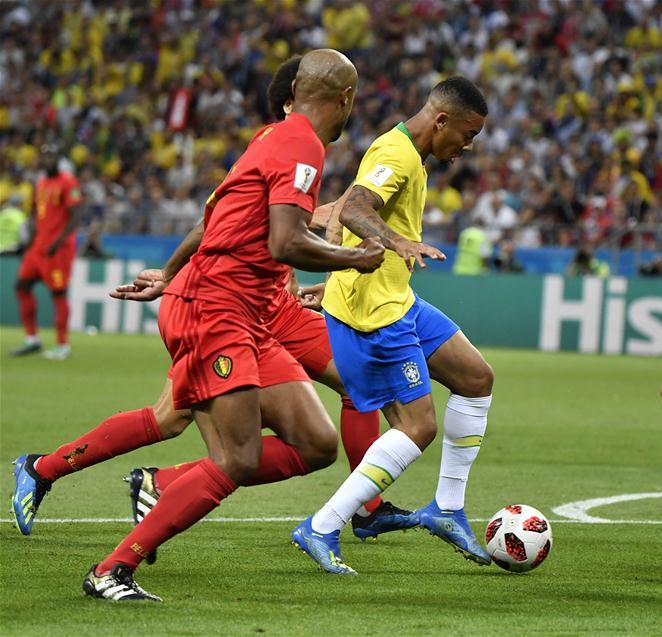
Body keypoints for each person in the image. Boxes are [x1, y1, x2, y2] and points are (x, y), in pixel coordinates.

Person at [10, 55, 407, 553]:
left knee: (352, 387)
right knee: (172, 419)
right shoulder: (292, 143)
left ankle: (361, 506)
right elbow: (259, 229)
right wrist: (352, 259)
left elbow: (239, 219)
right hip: (228, 307)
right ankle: (75, 478)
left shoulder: (277, 143)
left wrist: (173, 275)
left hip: (265, 308)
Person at [291, 76, 495, 575]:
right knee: (418, 426)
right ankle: (322, 525)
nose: (467, 147)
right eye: (467, 135)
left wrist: (335, 277)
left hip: (396, 299)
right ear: (441, 120)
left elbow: (339, 210)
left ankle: (447, 508)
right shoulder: (398, 152)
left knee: (476, 378)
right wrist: (397, 243)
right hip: (376, 315)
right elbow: (359, 207)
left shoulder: (412, 157)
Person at [11, 144, 84, 360]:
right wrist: (31, 240)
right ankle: (32, 339)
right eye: (45, 156)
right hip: (38, 248)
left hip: (57, 249)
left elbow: (77, 214)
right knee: (21, 286)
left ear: (58, 159)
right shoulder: (41, 183)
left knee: (58, 294)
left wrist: (58, 241)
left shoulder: (68, 181)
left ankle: (63, 345)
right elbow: (37, 214)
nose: (48, 160)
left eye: (52, 156)